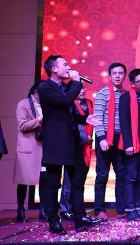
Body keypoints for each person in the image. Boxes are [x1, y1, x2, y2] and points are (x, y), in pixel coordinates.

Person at [38, 55, 102, 234]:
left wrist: (84, 118)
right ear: (54, 69)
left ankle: (80, 217)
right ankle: (53, 220)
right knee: (53, 182)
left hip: (72, 141)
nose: (69, 68)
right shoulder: (45, 87)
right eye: (65, 65)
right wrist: (75, 82)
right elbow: (63, 102)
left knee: (77, 179)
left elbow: (67, 113)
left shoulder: (66, 87)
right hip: (55, 142)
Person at [93, 62, 127, 220]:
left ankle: (121, 209)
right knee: (102, 175)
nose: (118, 76)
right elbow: (98, 118)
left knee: (122, 175)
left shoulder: (127, 95)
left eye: (121, 73)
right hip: (106, 137)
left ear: (124, 76)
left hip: (121, 139)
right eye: (115, 73)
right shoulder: (103, 94)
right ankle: (99, 210)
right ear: (110, 75)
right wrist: (101, 139)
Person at [118, 68, 140, 221]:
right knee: (131, 177)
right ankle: (130, 209)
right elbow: (124, 122)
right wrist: (128, 144)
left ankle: (138, 208)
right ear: (132, 84)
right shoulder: (126, 98)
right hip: (134, 144)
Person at [60, 86, 94, 221]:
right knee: (69, 180)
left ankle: (77, 209)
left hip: (86, 147)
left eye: (84, 88)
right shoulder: (69, 104)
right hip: (74, 144)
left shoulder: (89, 103)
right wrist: (85, 138)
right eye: (79, 89)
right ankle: (65, 209)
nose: (83, 91)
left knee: (80, 180)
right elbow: (74, 124)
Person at [13, 82, 46, 223]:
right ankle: (20, 211)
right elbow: (23, 125)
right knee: (23, 181)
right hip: (28, 148)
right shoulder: (23, 104)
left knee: (45, 180)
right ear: (35, 92)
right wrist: (39, 120)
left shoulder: (47, 105)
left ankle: (43, 211)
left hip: (44, 147)